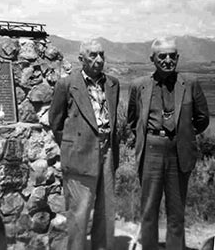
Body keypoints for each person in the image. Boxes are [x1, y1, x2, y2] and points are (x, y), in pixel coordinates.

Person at [127, 37, 209, 249]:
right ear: (152, 59)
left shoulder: (190, 83)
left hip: (179, 152)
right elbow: (132, 121)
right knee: (148, 211)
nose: (168, 60)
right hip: (151, 152)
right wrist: (152, 138)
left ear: (178, 58)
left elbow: (202, 119)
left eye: (172, 56)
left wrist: (184, 135)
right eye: (162, 56)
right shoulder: (139, 86)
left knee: (176, 212)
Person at [49, 39, 120, 250]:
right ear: (81, 59)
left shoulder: (113, 84)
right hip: (80, 153)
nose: (99, 60)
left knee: (106, 211)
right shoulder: (67, 84)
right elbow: (56, 122)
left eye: (102, 55)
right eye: (93, 55)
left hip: (107, 152)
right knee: (79, 213)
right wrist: (74, 144)